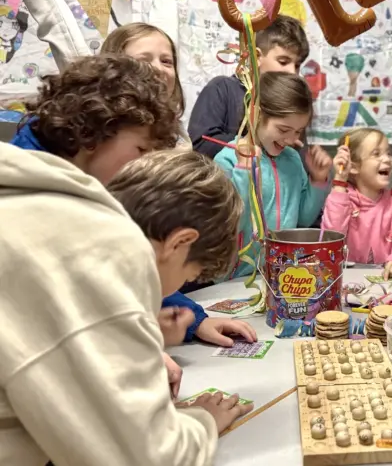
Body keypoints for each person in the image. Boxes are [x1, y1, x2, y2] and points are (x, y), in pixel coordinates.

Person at [0, 144, 252, 465]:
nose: (176, 288)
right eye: (192, 273)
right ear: (179, 243)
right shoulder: (107, 252)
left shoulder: (61, 217)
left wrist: (128, 335)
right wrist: (202, 419)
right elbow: (148, 459)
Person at [9, 55, 257, 348]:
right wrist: (132, 348)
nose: (145, 164)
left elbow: (142, 267)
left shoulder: (87, 184)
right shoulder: (29, 198)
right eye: (141, 149)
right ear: (93, 128)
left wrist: (192, 319)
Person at [0, 0, 190, 145]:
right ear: (110, 70)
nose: (158, 68)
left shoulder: (176, 136)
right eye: (143, 61)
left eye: (167, 62)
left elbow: (164, 36)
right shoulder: (98, 117)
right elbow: (55, 18)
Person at [214, 71, 332, 280]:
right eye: (284, 129)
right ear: (256, 115)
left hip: (279, 275)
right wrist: (243, 172)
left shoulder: (293, 160)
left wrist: (317, 181)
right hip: (237, 279)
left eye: (298, 131)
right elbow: (231, 226)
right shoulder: (228, 159)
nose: (290, 139)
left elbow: (302, 218)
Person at [188, 15, 310, 158]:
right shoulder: (222, 88)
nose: (292, 72)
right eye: (283, 61)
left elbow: (298, 159)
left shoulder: (292, 103)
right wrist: (256, 144)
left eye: (297, 65)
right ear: (257, 56)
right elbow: (201, 143)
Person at [322, 127, 392, 279]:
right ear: (353, 167)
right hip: (347, 283)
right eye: (376, 154)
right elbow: (331, 241)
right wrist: (340, 181)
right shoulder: (342, 199)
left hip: (386, 284)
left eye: (389, 153)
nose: (387, 159)